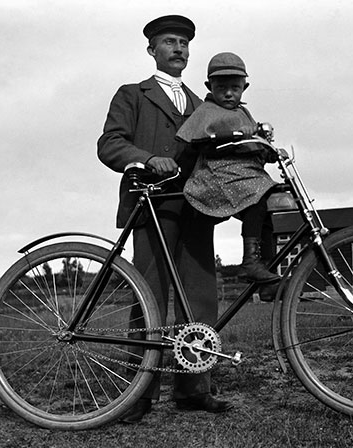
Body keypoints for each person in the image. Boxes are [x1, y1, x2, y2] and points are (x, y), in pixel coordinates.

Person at [97, 15, 232, 421]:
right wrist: (145, 158)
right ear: (152, 50)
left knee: (200, 299)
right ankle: (138, 393)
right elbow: (110, 143)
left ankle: (194, 388)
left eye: (184, 43)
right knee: (149, 299)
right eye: (170, 42)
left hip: (195, 208)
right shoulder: (133, 95)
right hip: (153, 206)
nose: (179, 49)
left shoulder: (202, 104)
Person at [176, 52, 280, 284]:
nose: (229, 93)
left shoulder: (242, 112)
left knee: (267, 210)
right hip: (217, 174)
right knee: (258, 196)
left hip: (243, 174)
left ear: (245, 87)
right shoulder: (206, 111)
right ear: (209, 86)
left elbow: (252, 144)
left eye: (235, 87)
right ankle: (250, 262)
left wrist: (267, 149)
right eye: (221, 87)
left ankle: (268, 272)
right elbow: (199, 140)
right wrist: (226, 135)